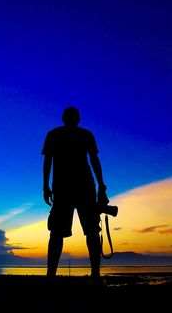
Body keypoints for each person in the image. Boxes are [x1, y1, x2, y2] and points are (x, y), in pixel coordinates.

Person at [41, 107, 109, 277]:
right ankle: (95, 275)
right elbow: (94, 161)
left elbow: (48, 162)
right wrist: (101, 186)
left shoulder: (55, 134)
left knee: (60, 233)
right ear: (78, 119)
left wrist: (45, 186)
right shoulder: (84, 135)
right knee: (89, 231)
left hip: (68, 188)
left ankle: (52, 276)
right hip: (80, 188)